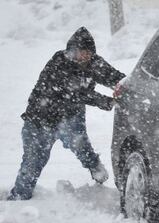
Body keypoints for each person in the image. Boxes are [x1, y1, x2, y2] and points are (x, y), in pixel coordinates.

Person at [7, 27, 126, 200]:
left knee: (83, 149)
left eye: (87, 52)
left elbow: (116, 78)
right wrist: (108, 101)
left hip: (70, 117)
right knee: (32, 164)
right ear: (70, 51)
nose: (83, 56)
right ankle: (19, 199)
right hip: (39, 121)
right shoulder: (58, 62)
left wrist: (125, 89)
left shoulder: (94, 64)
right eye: (79, 52)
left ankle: (95, 168)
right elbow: (75, 92)